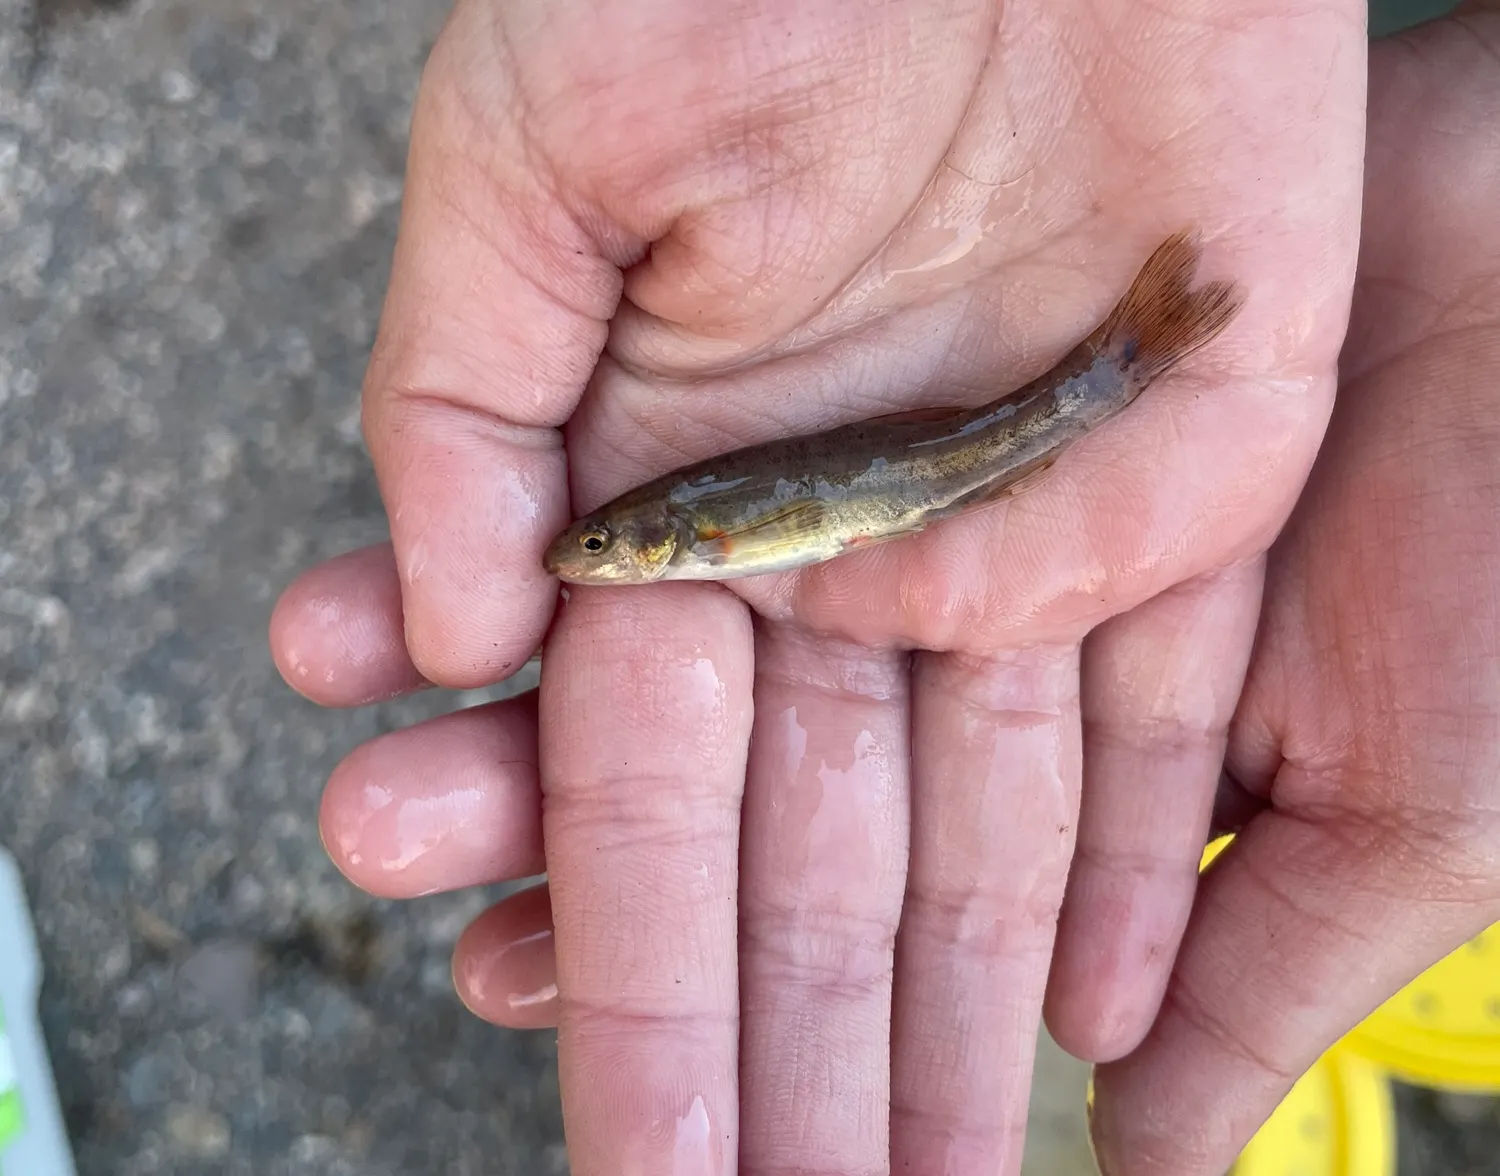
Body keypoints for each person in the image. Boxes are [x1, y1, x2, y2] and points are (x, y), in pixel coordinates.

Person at [269, 0, 1500, 1171]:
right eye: (597, 551)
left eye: (602, 550)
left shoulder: (683, 532)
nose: (584, 561)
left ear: (649, 544)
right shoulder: (668, 533)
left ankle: (1125, 361)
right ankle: (1121, 362)